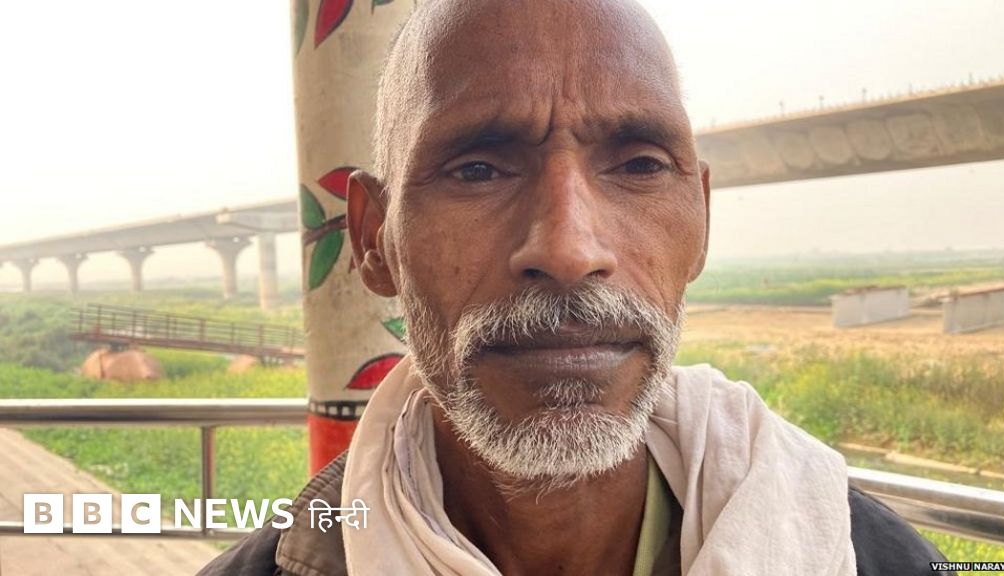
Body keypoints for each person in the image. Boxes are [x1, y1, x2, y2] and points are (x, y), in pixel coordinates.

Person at [200, 0, 950, 574]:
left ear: (701, 221)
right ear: (374, 239)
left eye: (640, 165)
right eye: (478, 169)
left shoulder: (858, 552)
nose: (568, 250)